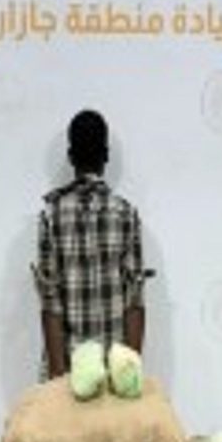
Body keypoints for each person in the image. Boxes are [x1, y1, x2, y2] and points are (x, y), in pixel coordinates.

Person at [33, 110, 145, 379]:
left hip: (69, 372)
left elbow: (51, 304)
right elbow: (134, 302)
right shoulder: (125, 214)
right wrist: (129, 375)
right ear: (106, 156)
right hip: (113, 373)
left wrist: (58, 377)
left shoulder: (51, 215)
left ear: (71, 157)